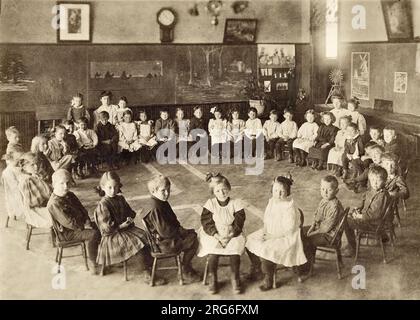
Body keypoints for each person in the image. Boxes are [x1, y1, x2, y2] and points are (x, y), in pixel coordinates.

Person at [93, 171, 164, 284]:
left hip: (126, 229)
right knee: (137, 244)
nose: (113, 190)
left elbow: (130, 212)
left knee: (146, 237)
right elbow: (106, 228)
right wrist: (121, 225)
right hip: (112, 235)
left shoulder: (120, 199)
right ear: (103, 187)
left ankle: (149, 265)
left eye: (116, 187)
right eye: (109, 187)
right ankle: (146, 274)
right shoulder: (103, 204)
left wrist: (130, 218)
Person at [246, 175, 307, 291]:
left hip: (285, 237)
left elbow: (288, 230)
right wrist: (264, 232)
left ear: (287, 192)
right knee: (249, 240)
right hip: (270, 231)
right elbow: (267, 220)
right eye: (275, 190)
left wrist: (271, 236)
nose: (278, 194)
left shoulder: (289, 207)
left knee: (266, 250)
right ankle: (257, 267)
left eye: (281, 191)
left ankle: (268, 277)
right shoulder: (272, 202)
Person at [143, 175, 200, 283]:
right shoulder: (155, 207)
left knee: (192, 234)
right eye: (163, 190)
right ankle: (185, 269)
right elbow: (165, 231)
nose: (167, 193)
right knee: (193, 241)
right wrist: (180, 232)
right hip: (163, 243)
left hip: (166, 237)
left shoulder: (162, 202)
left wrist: (181, 229)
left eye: (168, 190)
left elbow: (173, 220)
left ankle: (185, 267)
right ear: (153, 191)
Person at [198, 173, 246, 294]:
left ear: (229, 188)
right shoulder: (210, 204)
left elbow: (239, 222)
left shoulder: (236, 203)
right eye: (218, 191)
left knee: (235, 252)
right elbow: (206, 223)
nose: (222, 193)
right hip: (214, 233)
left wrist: (231, 235)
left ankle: (235, 277)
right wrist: (217, 235)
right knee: (213, 253)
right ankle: (212, 277)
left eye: (224, 189)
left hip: (232, 232)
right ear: (213, 192)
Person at [47, 169, 101, 274]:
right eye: (61, 183)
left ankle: (106, 254)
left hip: (81, 225)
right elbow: (70, 223)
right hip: (67, 233)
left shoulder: (70, 195)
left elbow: (82, 209)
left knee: (102, 225)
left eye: (68, 182)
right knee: (94, 234)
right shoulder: (54, 203)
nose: (66, 186)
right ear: (54, 184)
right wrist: (85, 226)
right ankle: (94, 263)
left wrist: (87, 221)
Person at [343, 165, 391, 256]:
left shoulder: (382, 195)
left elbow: (375, 214)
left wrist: (360, 216)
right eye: (372, 180)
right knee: (349, 215)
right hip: (370, 218)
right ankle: (383, 235)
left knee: (345, 221)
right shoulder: (373, 190)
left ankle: (352, 247)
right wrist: (359, 208)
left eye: (378, 180)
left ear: (384, 181)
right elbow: (365, 201)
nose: (375, 183)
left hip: (373, 223)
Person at [301, 175, 344, 274]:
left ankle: (306, 267)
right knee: (300, 231)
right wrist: (312, 227)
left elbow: (326, 228)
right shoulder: (324, 200)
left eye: (328, 190)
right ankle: (303, 260)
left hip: (329, 235)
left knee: (306, 240)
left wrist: (311, 233)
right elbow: (317, 216)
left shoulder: (334, 206)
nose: (324, 192)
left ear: (336, 191)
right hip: (320, 228)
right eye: (323, 189)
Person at [17, 152, 53, 228]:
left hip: (44, 204)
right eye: (32, 165)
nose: (36, 167)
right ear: (24, 167)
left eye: (37, 164)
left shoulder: (35, 175)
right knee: (61, 212)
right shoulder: (27, 181)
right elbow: (35, 202)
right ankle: (65, 234)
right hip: (37, 211)